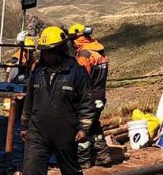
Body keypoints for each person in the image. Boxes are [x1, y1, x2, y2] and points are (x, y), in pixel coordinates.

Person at [21, 26, 95, 175]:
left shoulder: (76, 72)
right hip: (38, 131)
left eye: (50, 51)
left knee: (70, 170)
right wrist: (24, 125)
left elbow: (86, 102)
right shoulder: (38, 71)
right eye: (44, 51)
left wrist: (84, 128)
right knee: (31, 170)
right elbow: (29, 99)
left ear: (60, 49)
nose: (46, 55)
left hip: (65, 132)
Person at [72, 24, 112, 168]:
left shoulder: (85, 55)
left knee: (83, 127)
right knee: (94, 125)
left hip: (88, 97)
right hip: (100, 95)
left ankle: (83, 161)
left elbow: (81, 79)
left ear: (76, 39)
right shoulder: (99, 52)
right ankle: (103, 155)